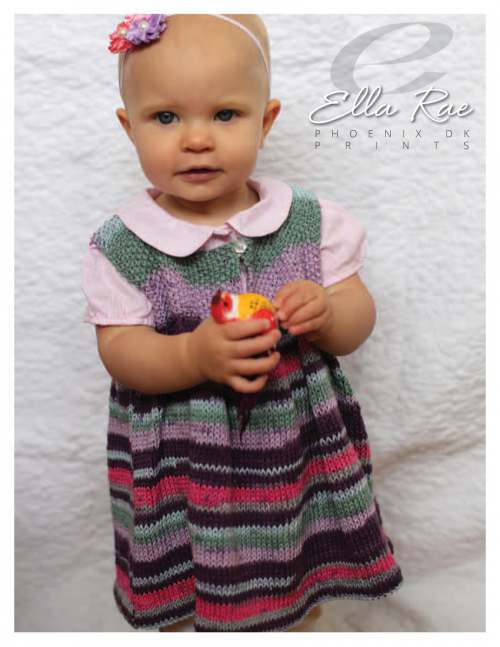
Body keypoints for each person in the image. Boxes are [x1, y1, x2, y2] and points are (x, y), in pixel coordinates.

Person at [82, 13, 403, 633]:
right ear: (129, 127)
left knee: (295, 558)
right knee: (186, 573)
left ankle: (297, 616)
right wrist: (192, 357)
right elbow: (119, 348)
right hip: (184, 460)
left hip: (294, 448)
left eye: (225, 114)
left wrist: (328, 312)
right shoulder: (123, 245)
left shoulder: (309, 221)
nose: (197, 139)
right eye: (165, 117)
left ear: (266, 120)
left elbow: (357, 322)